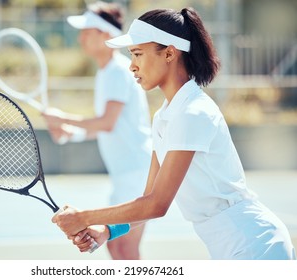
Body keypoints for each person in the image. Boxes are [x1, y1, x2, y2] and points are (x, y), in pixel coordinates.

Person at [52, 7, 296, 260]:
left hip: (257, 245)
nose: (132, 66)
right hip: (232, 247)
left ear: (169, 52)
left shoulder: (193, 112)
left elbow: (157, 205)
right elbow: (147, 200)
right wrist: (107, 231)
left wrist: (84, 217)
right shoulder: (164, 117)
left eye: (138, 54)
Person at [43, 1, 152, 260]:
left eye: (88, 31)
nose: (81, 37)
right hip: (125, 175)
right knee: (115, 246)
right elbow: (108, 127)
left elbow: (107, 122)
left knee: (125, 247)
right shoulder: (106, 72)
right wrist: (72, 132)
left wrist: (62, 118)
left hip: (137, 175)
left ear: (105, 35)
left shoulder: (117, 71)